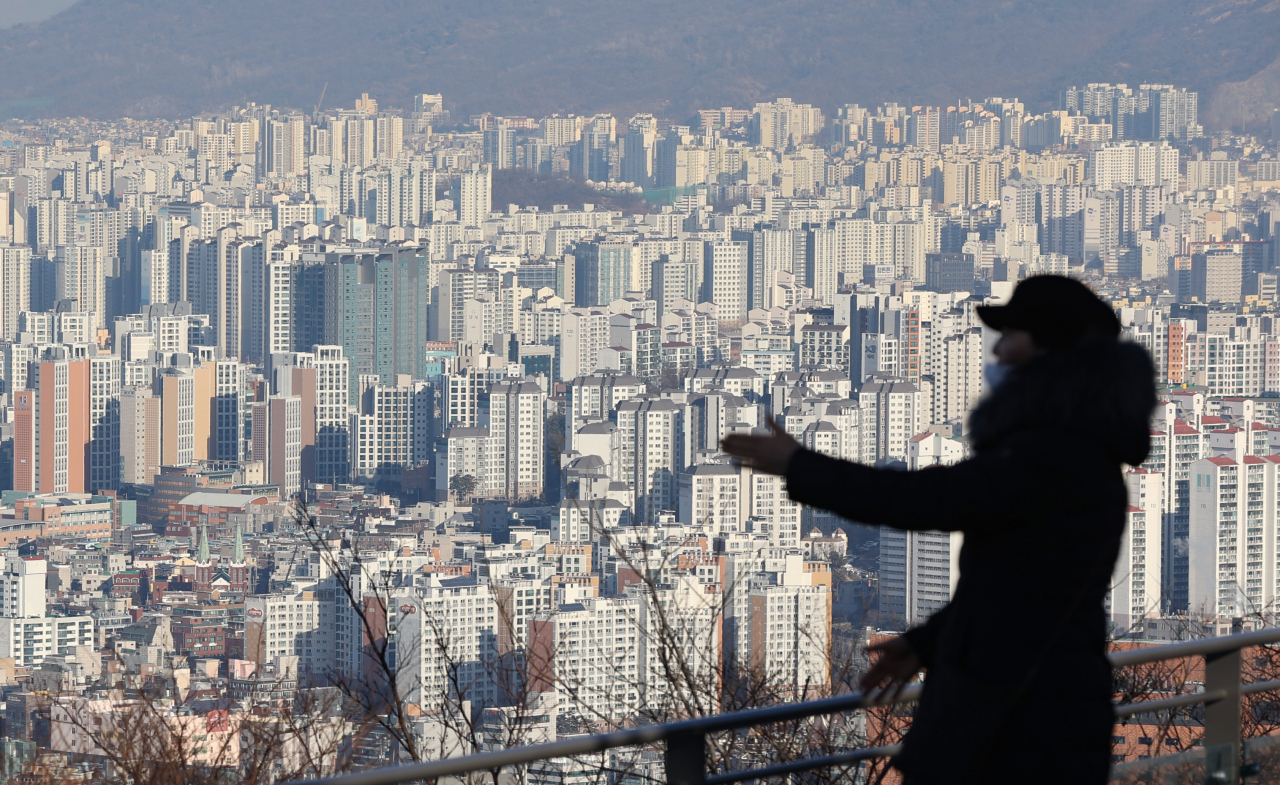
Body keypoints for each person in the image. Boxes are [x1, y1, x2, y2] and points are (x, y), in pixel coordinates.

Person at [722, 275, 1156, 785]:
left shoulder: (1053, 456)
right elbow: (1022, 591)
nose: (1000, 352)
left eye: (1011, 334)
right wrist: (930, 643)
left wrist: (799, 466)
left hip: (1022, 724)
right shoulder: (1081, 451)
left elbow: (921, 501)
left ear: (1049, 345)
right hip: (1037, 709)